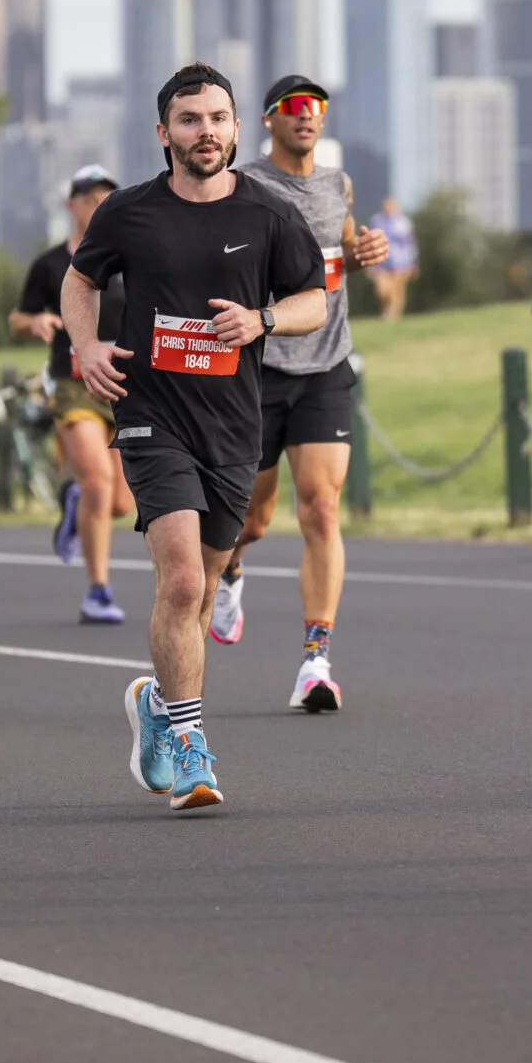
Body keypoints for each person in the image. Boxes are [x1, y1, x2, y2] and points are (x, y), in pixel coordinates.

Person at [64, 63, 326, 812]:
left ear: (238, 128)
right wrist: (86, 348)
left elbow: (313, 296)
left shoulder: (268, 214)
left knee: (206, 591)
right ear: (163, 133)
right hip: (152, 415)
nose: (204, 131)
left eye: (217, 117)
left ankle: (155, 702)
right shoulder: (129, 212)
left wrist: (263, 320)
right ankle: (190, 744)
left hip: (234, 424)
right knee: (179, 581)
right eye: (189, 119)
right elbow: (79, 282)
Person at [213, 75, 390, 711]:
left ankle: (316, 659)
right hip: (259, 367)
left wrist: (364, 247)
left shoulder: (336, 182)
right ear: (268, 120)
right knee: (251, 519)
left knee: (320, 508)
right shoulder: (249, 185)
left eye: (315, 107)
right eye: (293, 107)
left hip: (326, 367)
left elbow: (343, 241)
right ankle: (230, 566)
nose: (307, 116)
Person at [12, 165, 134, 623]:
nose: (99, 203)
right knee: (99, 485)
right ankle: (97, 591)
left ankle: (75, 499)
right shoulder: (50, 264)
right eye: (90, 197)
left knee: (121, 501)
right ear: (72, 205)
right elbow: (18, 317)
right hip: (73, 385)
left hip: (123, 389)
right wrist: (36, 322)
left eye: (107, 196)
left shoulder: (130, 257)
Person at [369, 196, 418, 320]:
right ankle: (387, 308)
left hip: (401, 262)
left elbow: (410, 244)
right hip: (381, 262)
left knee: (397, 290)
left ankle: (392, 316)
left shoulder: (404, 223)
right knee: (382, 291)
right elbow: (370, 242)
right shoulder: (376, 221)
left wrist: (413, 263)